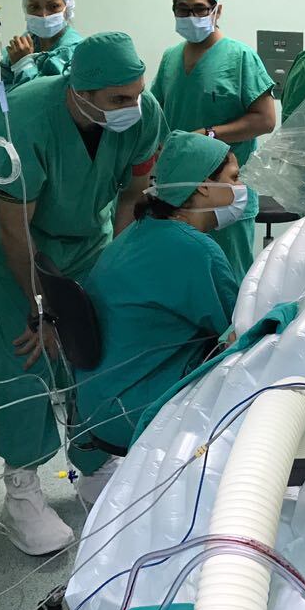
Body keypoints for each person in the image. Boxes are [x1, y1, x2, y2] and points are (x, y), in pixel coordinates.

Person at [0, 32, 164, 555]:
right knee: (29, 352)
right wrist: (45, 308)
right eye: (119, 98)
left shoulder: (143, 114)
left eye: (138, 93)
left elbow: (132, 195)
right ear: (79, 92)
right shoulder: (21, 121)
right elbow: (15, 230)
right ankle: (21, 488)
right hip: (17, 244)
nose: (133, 106)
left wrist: (117, 275)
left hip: (86, 237)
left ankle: (95, 462)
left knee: (95, 345)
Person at [76, 131, 242, 458]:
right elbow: (242, 331)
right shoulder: (196, 251)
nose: (242, 188)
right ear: (204, 187)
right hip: (139, 412)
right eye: (234, 178)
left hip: (100, 405)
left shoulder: (139, 231)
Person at [149, 0, 274, 279]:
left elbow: (265, 119)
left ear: (217, 10)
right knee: (183, 279)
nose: (191, 16)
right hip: (178, 194)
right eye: (182, 9)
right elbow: (158, 115)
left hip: (224, 194)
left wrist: (210, 134)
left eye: (199, 9)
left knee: (226, 278)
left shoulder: (240, 56)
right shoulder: (170, 58)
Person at [0, 0, 84, 106]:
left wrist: (24, 65)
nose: (43, 14)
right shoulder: (18, 49)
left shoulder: (78, 53)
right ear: (25, 9)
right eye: (34, 7)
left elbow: (48, 104)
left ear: (67, 8)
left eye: (53, 6)